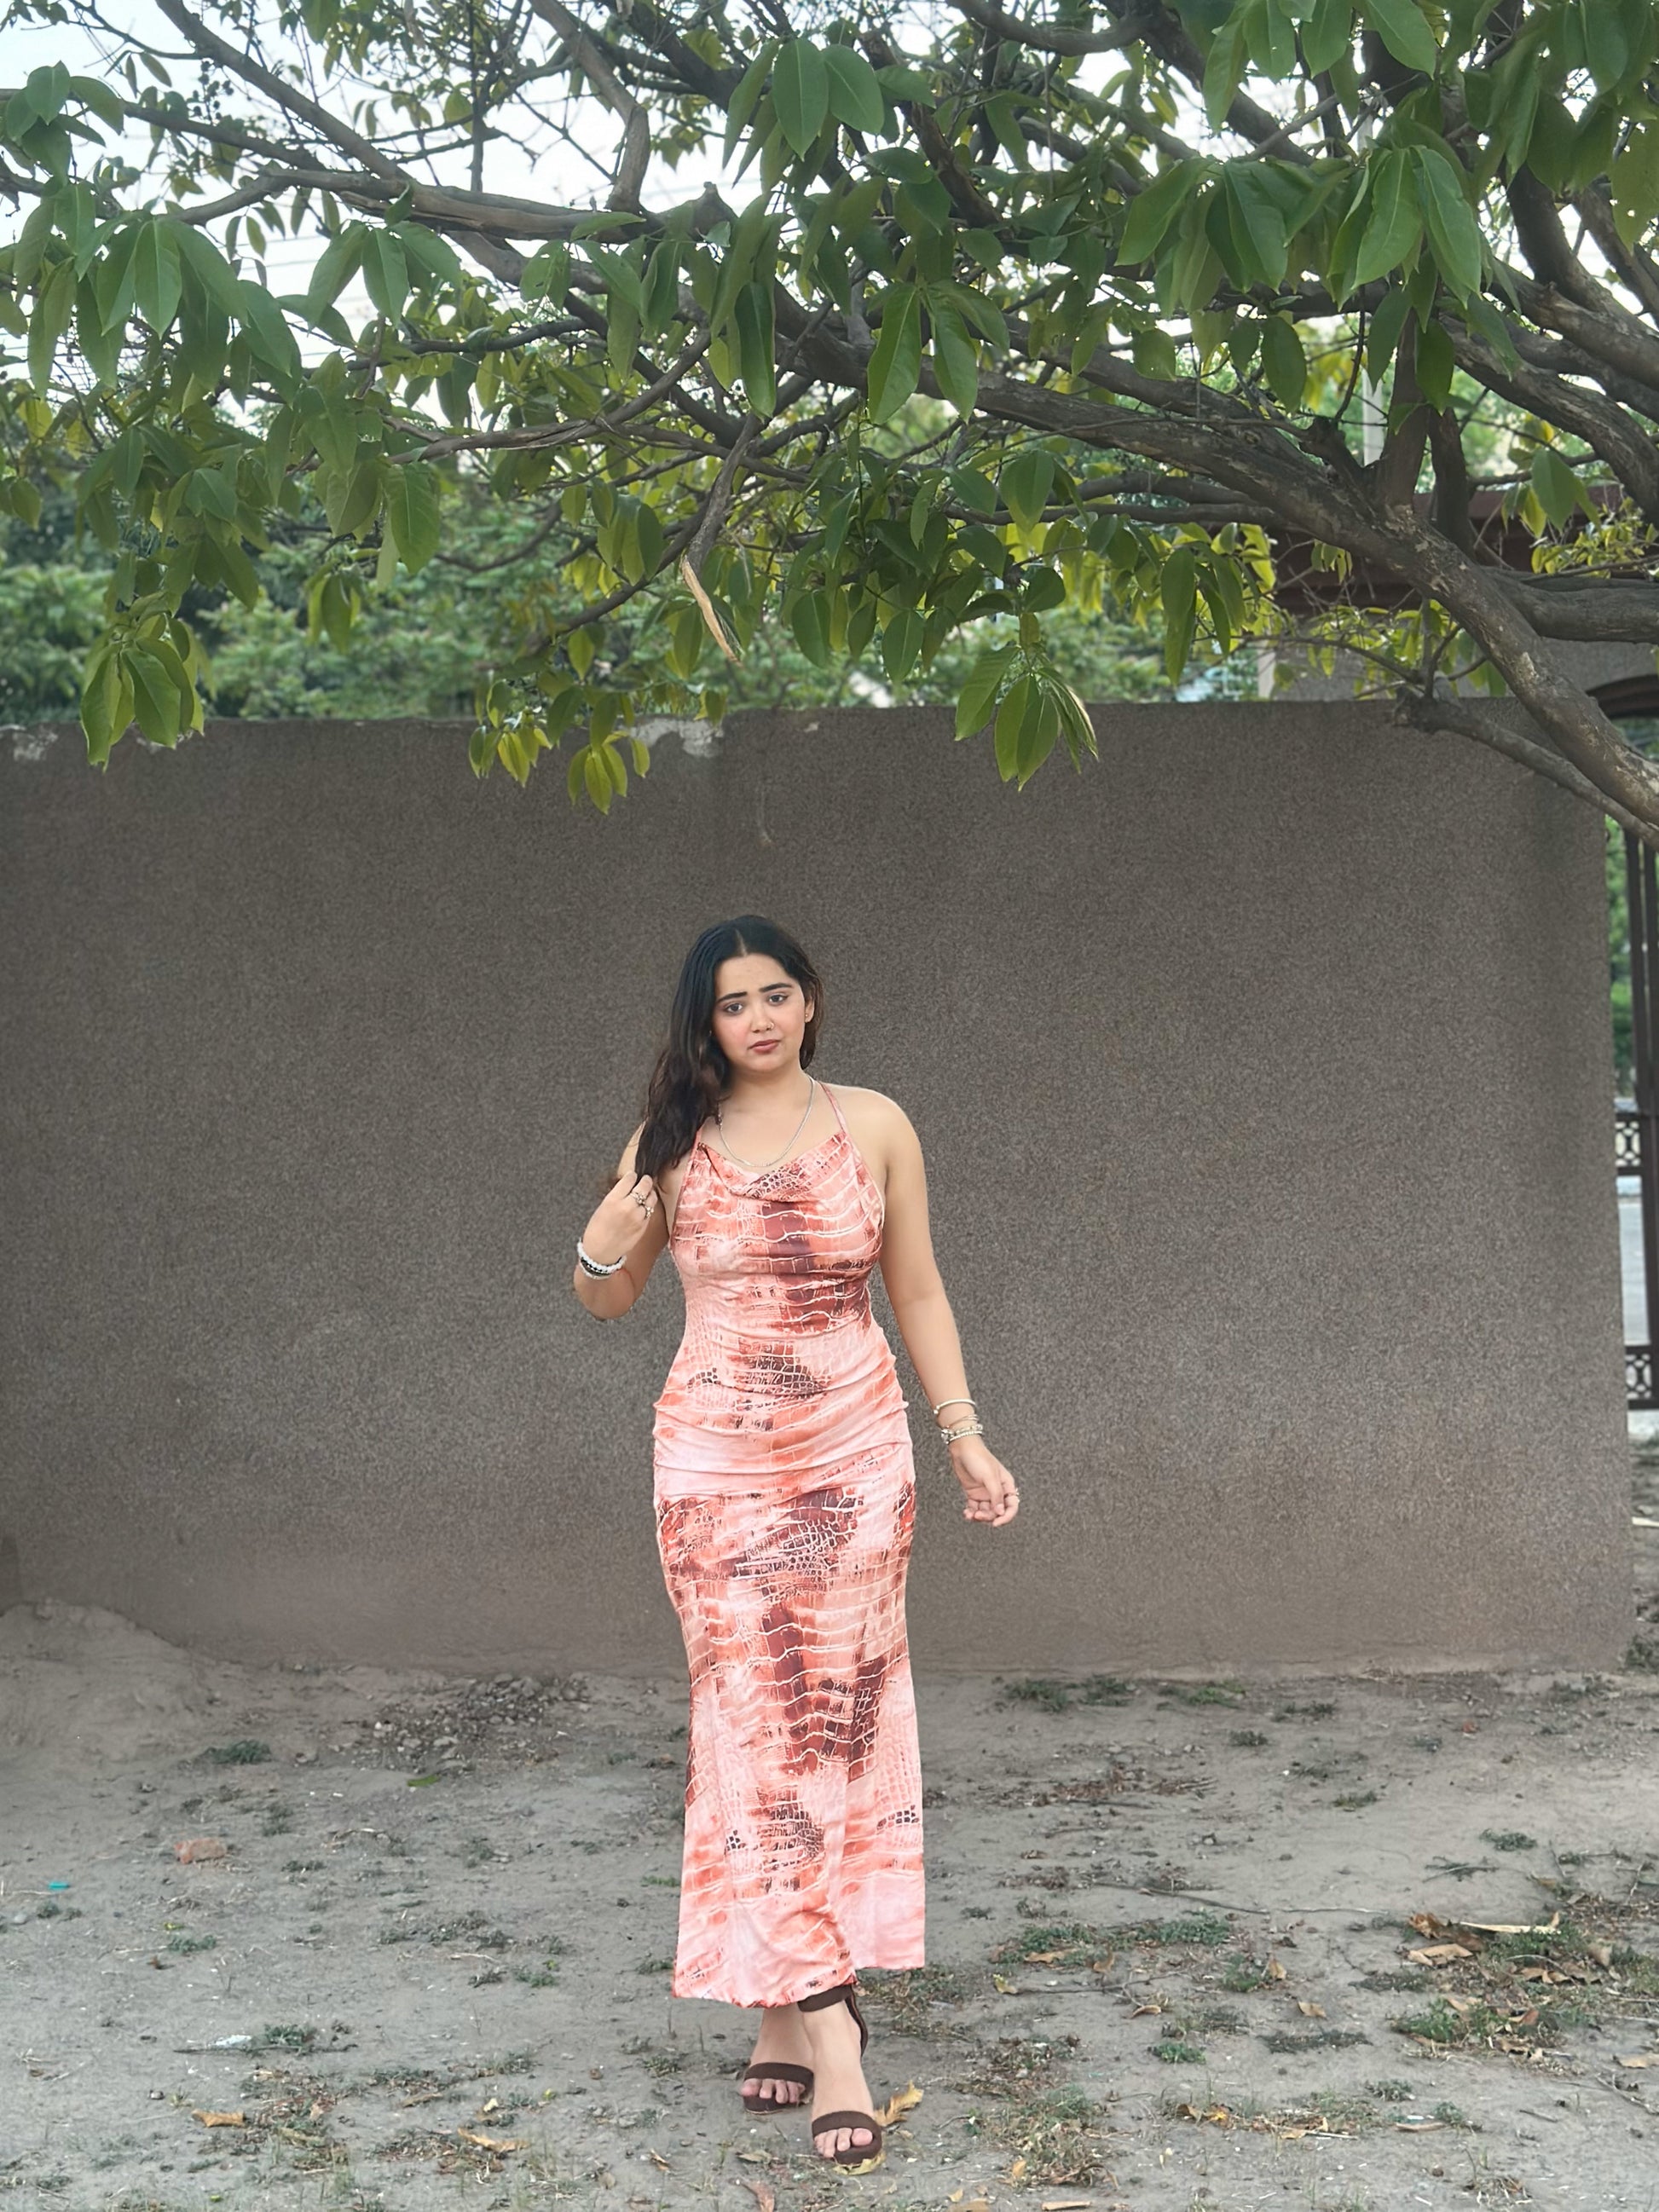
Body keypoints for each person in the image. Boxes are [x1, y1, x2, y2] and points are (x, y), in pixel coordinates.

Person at [572, 915, 1020, 2175]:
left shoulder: (872, 1124)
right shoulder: (668, 1140)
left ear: (810, 1001)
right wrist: (601, 1235)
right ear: (704, 1023)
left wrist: (964, 1434)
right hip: (713, 1467)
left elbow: (915, 1288)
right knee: (750, 1724)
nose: (758, 1019)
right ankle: (834, 2032)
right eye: (732, 1003)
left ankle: (780, 1997)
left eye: (776, 994)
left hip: (856, 1457)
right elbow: (608, 1298)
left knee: (832, 1723)